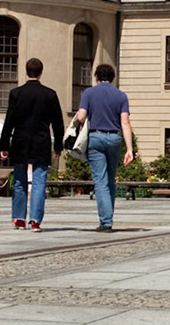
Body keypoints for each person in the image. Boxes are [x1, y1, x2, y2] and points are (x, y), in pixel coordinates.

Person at [0, 56, 63, 231]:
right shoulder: (50, 94)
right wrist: (58, 145)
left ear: (26, 72)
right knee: (39, 183)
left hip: (20, 141)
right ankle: (35, 220)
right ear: (41, 73)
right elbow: (58, 122)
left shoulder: (16, 94)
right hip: (41, 142)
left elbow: (9, 121)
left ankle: (19, 218)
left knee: (19, 181)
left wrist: (4, 145)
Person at [74, 62, 134, 232]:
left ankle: (106, 221)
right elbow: (125, 122)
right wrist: (129, 149)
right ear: (112, 78)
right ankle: (109, 216)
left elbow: (81, 116)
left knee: (100, 182)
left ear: (97, 77)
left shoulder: (89, 93)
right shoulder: (121, 96)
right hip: (115, 138)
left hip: (96, 137)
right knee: (110, 180)